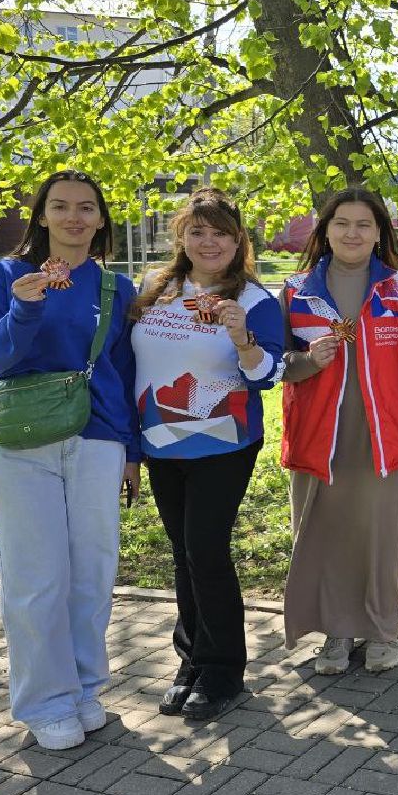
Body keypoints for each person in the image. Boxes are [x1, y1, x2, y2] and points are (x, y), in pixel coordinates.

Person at [0, 170, 140, 750]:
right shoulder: (7, 277)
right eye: (60, 207)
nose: (73, 218)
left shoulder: (117, 289)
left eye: (86, 208)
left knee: (92, 572)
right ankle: (44, 701)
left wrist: (131, 452)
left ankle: (85, 687)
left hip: (97, 436)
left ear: (100, 220)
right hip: (25, 436)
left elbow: (126, 372)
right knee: (36, 575)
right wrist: (24, 309)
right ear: (41, 216)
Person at [130, 189, 284, 721]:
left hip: (223, 441)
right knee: (182, 551)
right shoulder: (156, 288)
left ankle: (223, 670)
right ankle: (191, 660)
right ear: (182, 238)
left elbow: (268, 376)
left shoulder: (257, 300)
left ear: (238, 239)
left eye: (220, 232)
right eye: (198, 231)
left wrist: (242, 339)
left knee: (205, 549)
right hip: (160, 441)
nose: (209, 241)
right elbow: (130, 362)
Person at [281, 189, 398, 675]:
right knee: (325, 534)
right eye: (342, 223)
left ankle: (381, 629)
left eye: (364, 225)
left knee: (380, 536)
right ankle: (336, 631)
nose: (353, 233)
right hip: (320, 438)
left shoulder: (397, 289)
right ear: (324, 230)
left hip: (385, 438)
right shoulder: (297, 291)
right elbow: (275, 365)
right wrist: (308, 361)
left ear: (379, 233)